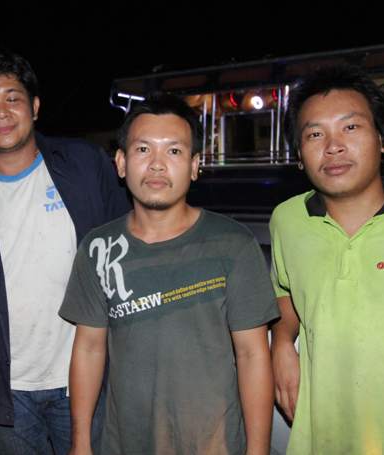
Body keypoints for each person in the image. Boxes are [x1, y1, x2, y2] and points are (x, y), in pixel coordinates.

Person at [0, 51, 130, 455]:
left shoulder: (84, 165)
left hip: (90, 377)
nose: (0, 112)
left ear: (34, 106)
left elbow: (130, 251)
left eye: (12, 98)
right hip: (1, 394)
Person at [59, 94, 278, 455]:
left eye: (174, 151)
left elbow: (253, 355)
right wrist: (80, 443)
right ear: (121, 163)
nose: (157, 165)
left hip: (214, 444)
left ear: (194, 166)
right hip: (125, 443)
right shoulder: (98, 248)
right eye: (143, 149)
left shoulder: (233, 243)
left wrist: (258, 451)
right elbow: (89, 347)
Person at [270, 65, 384, 454]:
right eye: (315, 134)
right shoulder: (287, 221)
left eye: (350, 127)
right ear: (299, 156)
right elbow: (285, 290)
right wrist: (281, 342)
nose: (333, 146)